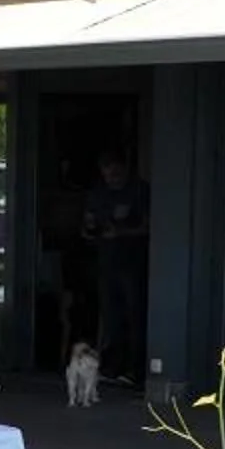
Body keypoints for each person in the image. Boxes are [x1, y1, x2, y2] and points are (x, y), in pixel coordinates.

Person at [86, 152, 149, 384]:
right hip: (106, 262)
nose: (112, 178)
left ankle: (135, 370)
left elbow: (149, 226)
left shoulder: (139, 191)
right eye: (107, 174)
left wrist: (121, 232)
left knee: (135, 316)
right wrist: (91, 228)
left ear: (125, 168)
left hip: (133, 263)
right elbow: (88, 222)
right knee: (111, 318)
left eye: (115, 173)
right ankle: (112, 368)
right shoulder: (98, 193)